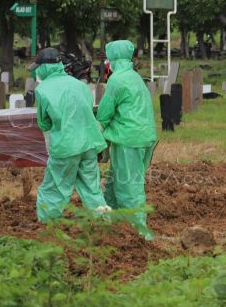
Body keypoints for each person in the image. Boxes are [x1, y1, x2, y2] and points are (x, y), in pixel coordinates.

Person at [30, 47, 109, 222]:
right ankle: (104, 223)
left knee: (54, 190)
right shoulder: (80, 85)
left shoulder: (43, 90)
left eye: (38, 67)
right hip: (89, 145)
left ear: (44, 67)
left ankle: (48, 227)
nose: (37, 70)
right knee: (92, 189)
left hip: (65, 148)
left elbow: (44, 123)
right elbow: (87, 110)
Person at [97, 40, 157, 240]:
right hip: (143, 137)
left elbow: (105, 112)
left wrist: (96, 129)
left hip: (128, 140)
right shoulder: (134, 77)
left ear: (112, 59)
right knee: (115, 184)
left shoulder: (116, 79)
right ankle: (109, 225)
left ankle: (141, 235)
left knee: (129, 187)